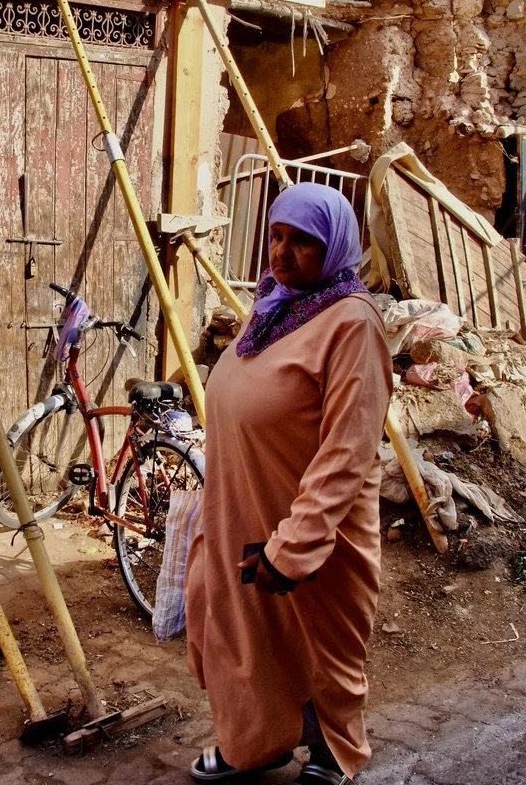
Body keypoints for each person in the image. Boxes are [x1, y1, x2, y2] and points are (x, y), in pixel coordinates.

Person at [185, 182, 393, 785]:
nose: (282, 252)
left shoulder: (352, 323)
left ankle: (333, 751)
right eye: (276, 236)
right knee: (244, 639)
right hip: (239, 506)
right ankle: (257, 744)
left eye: (302, 241)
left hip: (315, 526)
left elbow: (348, 450)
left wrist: (296, 544)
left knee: (323, 643)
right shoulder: (273, 306)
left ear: (332, 250)